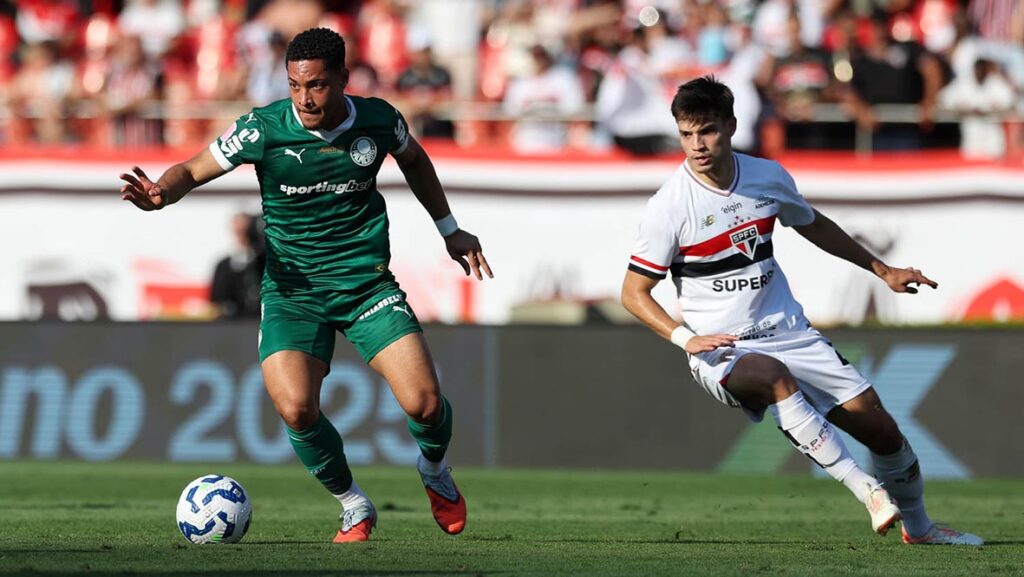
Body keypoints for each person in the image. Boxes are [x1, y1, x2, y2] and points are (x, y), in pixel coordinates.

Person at [119, 27, 493, 543]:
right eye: (295, 86)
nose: (304, 99)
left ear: (342, 78)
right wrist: (162, 193)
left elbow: (415, 162)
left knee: (425, 405)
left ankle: (434, 471)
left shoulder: (380, 120)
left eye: (316, 86)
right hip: (293, 294)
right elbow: (194, 168)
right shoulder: (263, 129)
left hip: (365, 286)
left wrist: (450, 231)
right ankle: (353, 504)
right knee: (296, 407)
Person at [620, 76, 982, 546]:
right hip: (720, 348)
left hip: (789, 331)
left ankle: (920, 529)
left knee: (883, 431)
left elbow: (814, 226)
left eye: (706, 131)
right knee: (772, 377)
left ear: (730, 125)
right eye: (686, 134)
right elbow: (633, 293)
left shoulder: (767, 177)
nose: (697, 145)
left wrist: (882, 269)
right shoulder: (668, 208)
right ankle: (867, 491)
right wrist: (686, 338)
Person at [209, 212, 265, 319]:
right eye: (239, 232)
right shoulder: (224, 265)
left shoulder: (265, 262)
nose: (244, 236)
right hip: (233, 323)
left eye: (246, 231)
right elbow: (217, 301)